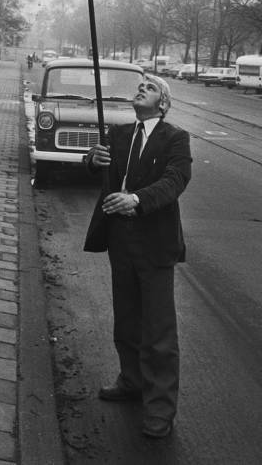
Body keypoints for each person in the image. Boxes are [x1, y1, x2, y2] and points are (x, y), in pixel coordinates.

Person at [83, 74, 192, 440]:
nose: (141, 87)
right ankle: (131, 381)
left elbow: (176, 180)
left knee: (158, 330)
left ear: (163, 103)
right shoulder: (118, 134)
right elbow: (98, 169)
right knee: (126, 317)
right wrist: (92, 159)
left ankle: (160, 408)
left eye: (151, 87)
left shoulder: (175, 138)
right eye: (141, 84)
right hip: (120, 239)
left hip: (155, 242)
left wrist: (137, 200)